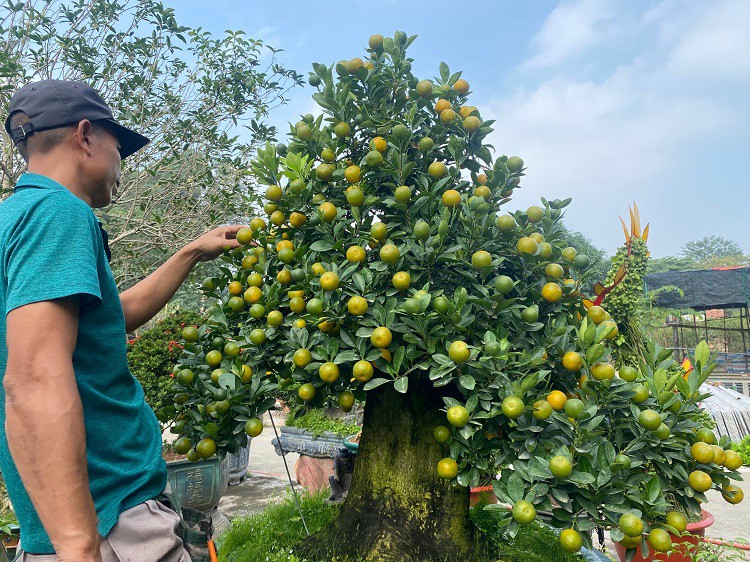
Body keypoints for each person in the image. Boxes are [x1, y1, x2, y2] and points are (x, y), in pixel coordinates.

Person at [0, 79, 246, 561]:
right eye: (120, 146)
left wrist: (192, 251)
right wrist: (78, 545)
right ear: (86, 135)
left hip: (68, 520)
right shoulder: (59, 213)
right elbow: (30, 380)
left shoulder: (16, 217)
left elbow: (111, 318)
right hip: (112, 521)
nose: (122, 164)